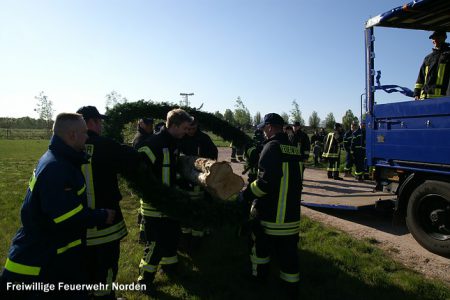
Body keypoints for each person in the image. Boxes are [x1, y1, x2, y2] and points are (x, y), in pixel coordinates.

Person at [0, 113, 115, 299]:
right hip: (36, 266)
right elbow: (67, 217)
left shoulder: (60, 159)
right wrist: (102, 216)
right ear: (72, 135)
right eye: (84, 132)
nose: (87, 136)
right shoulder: (57, 168)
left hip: (51, 258)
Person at [77, 106, 142, 299]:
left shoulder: (70, 145)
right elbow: (133, 158)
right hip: (106, 220)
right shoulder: (105, 145)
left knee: (84, 266)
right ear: (91, 122)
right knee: (106, 266)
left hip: (78, 221)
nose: (102, 125)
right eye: (99, 121)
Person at [241, 113, 301, 299]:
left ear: (268, 127)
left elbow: (264, 184)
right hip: (292, 216)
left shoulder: (271, 147)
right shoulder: (293, 148)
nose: (262, 133)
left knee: (260, 249)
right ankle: (290, 288)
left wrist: (245, 194)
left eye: (263, 129)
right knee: (289, 257)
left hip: (271, 215)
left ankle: (259, 280)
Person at [136, 108, 193, 295]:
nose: (187, 131)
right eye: (184, 127)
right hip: (155, 207)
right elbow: (140, 175)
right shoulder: (153, 144)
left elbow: (171, 172)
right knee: (155, 245)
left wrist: (181, 183)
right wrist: (157, 194)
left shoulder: (173, 143)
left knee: (171, 238)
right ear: (174, 125)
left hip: (170, 205)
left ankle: (170, 267)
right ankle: (144, 279)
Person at [178, 117, 218, 250]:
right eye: (188, 129)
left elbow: (214, 154)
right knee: (185, 209)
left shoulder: (204, 139)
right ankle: (184, 238)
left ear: (197, 127)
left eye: (193, 129)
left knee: (200, 207)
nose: (190, 131)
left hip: (201, 179)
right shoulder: (180, 137)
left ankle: (199, 237)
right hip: (183, 179)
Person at [414, 30, 450, 100]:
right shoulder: (428, 58)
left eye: (437, 37)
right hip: (424, 98)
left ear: (444, 38)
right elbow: (420, 78)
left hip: (442, 99)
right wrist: (416, 93)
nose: (435, 40)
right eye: (433, 38)